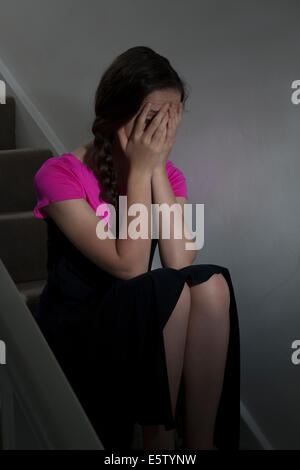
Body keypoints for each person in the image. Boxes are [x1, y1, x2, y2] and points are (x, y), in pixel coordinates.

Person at [33, 46, 240, 451]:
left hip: (138, 308)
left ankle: (201, 443)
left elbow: (181, 259)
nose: (162, 129)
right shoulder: (58, 174)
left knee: (210, 283)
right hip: (80, 321)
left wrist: (156, 168)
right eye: (151, 118)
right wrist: (142, 171)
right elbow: (129, 268)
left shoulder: (170, 176)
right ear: (115, 118)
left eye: (171, 118)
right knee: (168, 291)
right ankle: (157, 440)